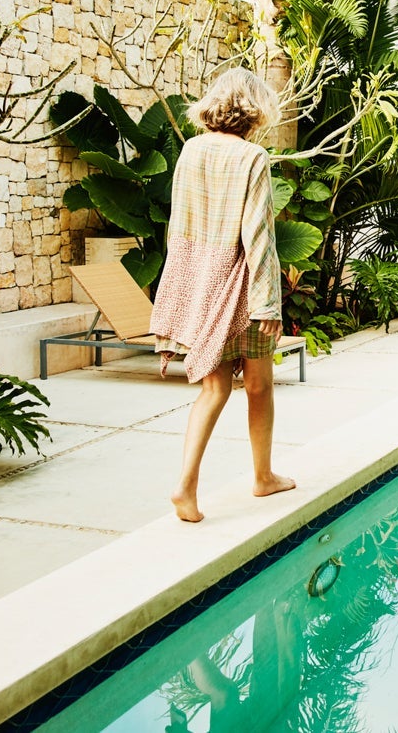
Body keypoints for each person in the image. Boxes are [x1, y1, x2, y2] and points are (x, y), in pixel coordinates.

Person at [150, 67, 296, 522]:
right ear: (254, 109)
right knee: (259, 383)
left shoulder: (191, 150)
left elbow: (179, 224)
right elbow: (257, 236)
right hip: (241, 283)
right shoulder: (252, 157)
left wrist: (178, 287)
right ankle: (263, 476)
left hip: (196, 277)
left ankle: (186, 487)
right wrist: (268, 302)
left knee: (213, 387)